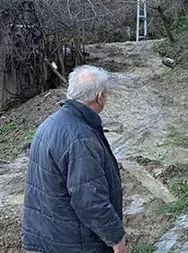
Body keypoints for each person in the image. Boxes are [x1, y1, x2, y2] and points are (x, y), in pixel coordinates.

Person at [22, 65, 125, 253]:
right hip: (76, 242)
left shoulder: (50, 124)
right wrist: (115, 237)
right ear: (99, 97)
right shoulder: (80, 137)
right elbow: (90, 198)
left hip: (51, 236)